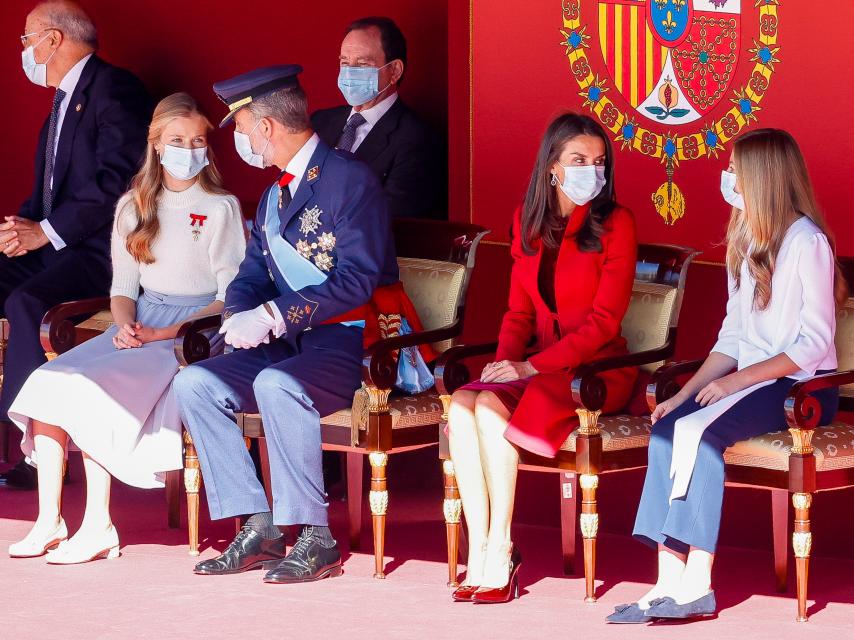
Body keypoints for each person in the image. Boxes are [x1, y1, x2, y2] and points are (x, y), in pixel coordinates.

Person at [173, 65, 400, 584]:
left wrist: (275, 314)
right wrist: (237, 319)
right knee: (195, 383)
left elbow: (359, 279)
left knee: (276, 383)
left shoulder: (350, 180)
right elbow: (252, 274)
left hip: (350, 344)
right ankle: (258, 525)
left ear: (268, 127)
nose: (243, 140)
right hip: (289, 343)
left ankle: (316, 539)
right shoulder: (277, 195)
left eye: (243, 128)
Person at [609, 128, 844, 623]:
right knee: (670, 429)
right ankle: (665, 583)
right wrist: (687, 392)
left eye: (735, 170)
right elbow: (732, 338)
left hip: (800, 391)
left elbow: (813, 344)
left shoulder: (808, 242)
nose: (728, 178)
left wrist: (736, 383)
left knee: (704, 435)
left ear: (763, 177)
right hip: (751, 383)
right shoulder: (746, 239)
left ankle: (699, 583)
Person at [5, 93, 246, 563]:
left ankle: (97, 525)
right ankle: (48, 521)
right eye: (177, 140)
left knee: (95, 388)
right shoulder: (131, 206)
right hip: (142, 325)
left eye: (198, 140)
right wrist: (124, 325)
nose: (189, 149)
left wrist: (163, 334)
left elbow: (229, 298)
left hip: (196, 333)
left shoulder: (221, 207)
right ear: (156, 144)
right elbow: (122, 287)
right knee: (49, 378)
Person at [447, 113, 637, 603]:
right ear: (553, 165)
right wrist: (502, 366)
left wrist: (528, 368)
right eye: (578, 160)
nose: (590, 171)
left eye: (598, 162)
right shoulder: (527, 220)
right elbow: (518, 311)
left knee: (489, 410)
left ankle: (502, 546)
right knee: (463, 405)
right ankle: (482, 546)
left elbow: (604, 324)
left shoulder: (616, 222)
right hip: (541, 364)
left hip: (595, 371)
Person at [0, 1, 151, 488]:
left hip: (100, 253)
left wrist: (42, 232)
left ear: (54, 39)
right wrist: (19, 229)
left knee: (26, 302)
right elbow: (49, 188)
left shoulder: (115, 89)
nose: (23, 50)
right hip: (54, 243)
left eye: (27, 39)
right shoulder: (62, 99)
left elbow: (113, 186)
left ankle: (34, 448)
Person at [311, 16, 445, 219]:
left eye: (363, 64)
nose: (349, 73)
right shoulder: (319, 122)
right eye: (345, 62)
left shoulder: (417, 139)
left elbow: (390, 219)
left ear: (394, 71)